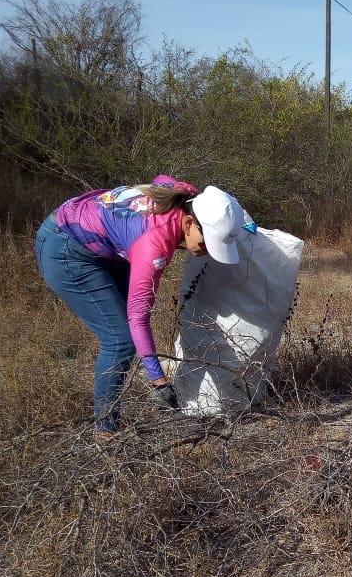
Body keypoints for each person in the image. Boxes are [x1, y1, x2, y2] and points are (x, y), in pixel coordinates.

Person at [36, 176, 249, 437]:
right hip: (66, 248)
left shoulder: (188, 196)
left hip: (97, 239)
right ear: (190, 223)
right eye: (206, 244)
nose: (207, 252)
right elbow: (138, 317)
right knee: (120, 338)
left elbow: (161, 179)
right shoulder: (153, 247)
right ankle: (106, 431)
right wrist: (159, 382)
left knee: (125, 333)